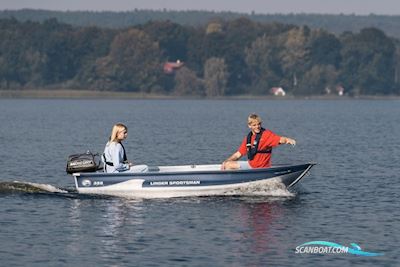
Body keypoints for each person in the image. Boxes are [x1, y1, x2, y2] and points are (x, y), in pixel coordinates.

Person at [221, 114, 296, 170]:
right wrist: (226, 161)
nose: (257, 127)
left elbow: (279, 139)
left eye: (259, 124)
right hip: (251, 166)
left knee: (228, 165)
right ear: (249, 126)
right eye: (254, 125)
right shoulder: (248, 138)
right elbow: (238, 154)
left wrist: (288, 140)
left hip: (262, 168)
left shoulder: (266, 135)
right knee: (228, 164)